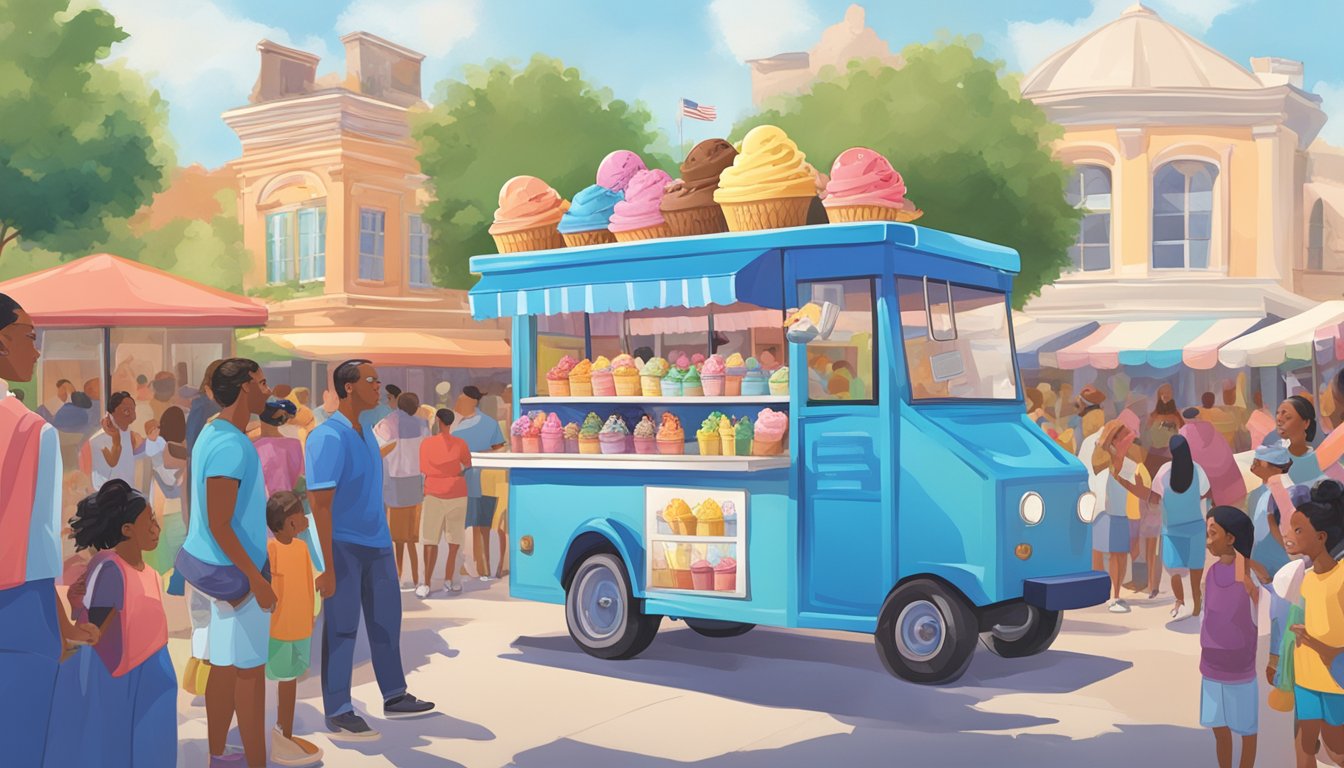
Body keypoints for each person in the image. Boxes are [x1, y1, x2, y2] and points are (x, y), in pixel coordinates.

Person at [306, 359, 435, 741]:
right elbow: (320, 505)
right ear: (349, 387)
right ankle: (339, 708)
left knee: (386, 623)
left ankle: (394, 694)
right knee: (342, 628)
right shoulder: (326, 436)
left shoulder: (365, 432)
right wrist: (326, 564)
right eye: (371, 380)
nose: (379, 386)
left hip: (376, 543)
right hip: (344, 546)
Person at [0, 293, 99, 766]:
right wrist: (61, 627)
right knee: (21, 737)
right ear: (2, 342)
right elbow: (38, 543)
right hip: (16, 604)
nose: (36, 351)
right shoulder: (29, 429)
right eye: (28, 337)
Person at [175, 358, 274, 768]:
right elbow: (219, 521)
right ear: (246, 387)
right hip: (234, 574)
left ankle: (219, 754)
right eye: (263, 383)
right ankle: (255, 761)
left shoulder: (214, 432)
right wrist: (256, 577)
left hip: (212, 570)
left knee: (224, 665)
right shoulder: (231, 444)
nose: (269, 391)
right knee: (250, 673)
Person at [60, 479, 176, 768]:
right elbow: (95, 628)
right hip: (129, 678)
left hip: (155, 670)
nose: (156, 529)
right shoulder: (112, 568)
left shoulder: (148, 572)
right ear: (127, 530)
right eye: (148, 522)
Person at [1265, 476, 1344, 767]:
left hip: (1337, 680)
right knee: (1304, 743)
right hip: (1306, 678)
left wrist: (1314, 643)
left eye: (1298, 530)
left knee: (1337, 748)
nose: (1289, 535)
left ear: (1321, 537)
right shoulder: (1306, 580)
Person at [1200, 506, 1264, 768]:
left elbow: (1258, 613)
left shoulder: (1247, 576)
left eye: (1213, 533)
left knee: (1246, 729)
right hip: (1211, 667)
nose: (1208, 541)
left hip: (1240, 670)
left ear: (1231, 538)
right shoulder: (1211, 573)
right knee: (1219, 728)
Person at [264, 491, 324, 767]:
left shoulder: (301, 548)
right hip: (279, 631)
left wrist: (311, 616)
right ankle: (282, 736)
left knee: (290, 682)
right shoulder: (270, 550)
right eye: (301, 514)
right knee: (284, 683)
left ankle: (284, 734)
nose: (305, 519)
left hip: (301, 628)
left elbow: (308, 585)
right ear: (290, 522)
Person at [452, 385, 508, 580]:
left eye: (461, 401)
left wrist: (476, 456)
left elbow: (500, 449)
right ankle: (479, 566)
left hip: (479, 479)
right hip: (472, 480)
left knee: (478, 524)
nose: (457, 404)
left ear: (472, 402)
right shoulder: (459, 423)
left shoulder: (481, 424)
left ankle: (481, 567)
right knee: (476, 525)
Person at [375, 392, 429, 589]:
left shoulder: (386, 423)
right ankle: (415, 576)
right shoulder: (423, 424)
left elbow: (377, 450)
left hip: (395, 482)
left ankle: (397, 576)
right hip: (416, 481)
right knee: (412, 536)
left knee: (397, 537)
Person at [418, 408, 471, 597]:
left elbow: (424, 468)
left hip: (433, 493)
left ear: (438, 421)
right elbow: (467, 465)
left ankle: (425, 583)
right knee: (455, 541)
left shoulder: (426, 444)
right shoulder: (461, 444)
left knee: (429, 540)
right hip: (457, 493)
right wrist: (453, 469)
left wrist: (439, 470)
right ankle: (451, 580)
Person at [1092, 421, 1138, 612]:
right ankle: (1109, 595)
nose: (1127, 441)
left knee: (1119, 555)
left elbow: (1130, 481)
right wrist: (1107, 448)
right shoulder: (1102, 455)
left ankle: (1116, 594)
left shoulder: (1129, 460)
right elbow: (1096, 469)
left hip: (1121, 512)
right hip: (1105, 512)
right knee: (1108, 555)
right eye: (1123, 437)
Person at [144, 408, 189, 587]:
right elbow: (171, 481)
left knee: (172, 566)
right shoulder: (177, 451)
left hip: (168, 514)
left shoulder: (159, 452)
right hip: (180, 513)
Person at [1180, 407, 1247, 508]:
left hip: (1200, 468)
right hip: (1220, 464)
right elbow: (1221, 445)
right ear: (1198, 416)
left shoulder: (1183, 431)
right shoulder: (1208, 425)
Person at [1248, 440, 1295, 576]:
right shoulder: (1256, 493)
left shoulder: (1284, 491)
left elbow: (1283, 528)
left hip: (1279, 560)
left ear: (1277, 468)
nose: (1254, 464)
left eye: (1259, 461)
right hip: (1260, 557)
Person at [89, 392, 145, 489]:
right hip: (108, 495)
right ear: (112, 412)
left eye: (133, 410)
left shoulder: (129, 435)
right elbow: (113, 462)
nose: (133, 416)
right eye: (126, 411)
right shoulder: (99, 440)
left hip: (127, 492)